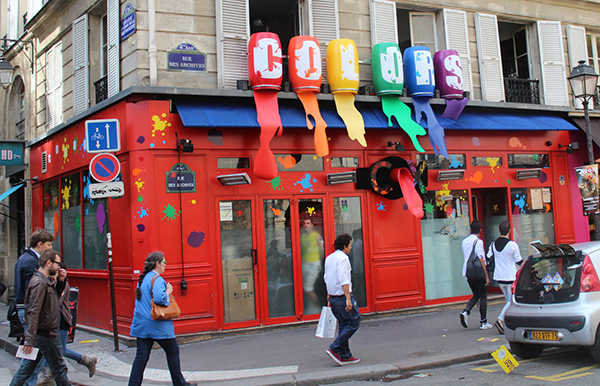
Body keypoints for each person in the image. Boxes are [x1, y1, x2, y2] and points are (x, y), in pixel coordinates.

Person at [128, 252, 196, 386]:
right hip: (158, 324)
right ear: (157, 264)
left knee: (141, 357)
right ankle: (180, 384)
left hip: (142, 324)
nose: (165, 265)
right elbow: (160, 299)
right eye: (164, 262)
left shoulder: (142, 280)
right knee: (173, 351)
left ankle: (133, 384)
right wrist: (168, 292)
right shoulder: (157, 279)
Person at [9, 250, 71, 386]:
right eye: (57, 264)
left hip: (42, 333)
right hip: (46, 333)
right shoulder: (39, 283)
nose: (59, 267)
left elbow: (53, 300)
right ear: (48, 263)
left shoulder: (45, 281)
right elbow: (33, 311)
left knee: (27, 369)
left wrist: (60, 282)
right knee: (59, 369)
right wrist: (29, 339)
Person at [37, 261, 97, 385]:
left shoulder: (62, 285)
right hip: (53, 322)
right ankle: (49, 376)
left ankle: (86, 361)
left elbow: (56, 302)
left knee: (59, 349)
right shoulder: (50, 283)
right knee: (51, 349)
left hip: (61, 321)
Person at [13, 230, 54, 386]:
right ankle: (27, 382)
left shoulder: (24, 258)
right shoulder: (31, 262)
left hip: (25, 308)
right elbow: (35, 292)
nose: (50, 248)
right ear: (40, 244)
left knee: (35, 350)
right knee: (34, 351)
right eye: (48, 245)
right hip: (29, 309)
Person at [324, 233, 361, 366]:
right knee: (354, 321)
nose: (351, 248)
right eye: (350, 245)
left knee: (344, 324)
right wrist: (348, 299)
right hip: (341, 297)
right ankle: (334, 348)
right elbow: (344, 279)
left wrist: (328, 294)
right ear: (344, 246)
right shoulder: (343, 259)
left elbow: (326, 277)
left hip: (333, 297)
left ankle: (345, 355)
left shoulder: (329, 258)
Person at [488, 220, 523, 334]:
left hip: (499, 277)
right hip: (510, 276)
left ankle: (507, 322)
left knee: (508, 300)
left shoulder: (493, 244)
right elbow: (519, 261)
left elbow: (489, 257)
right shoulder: (512, 245)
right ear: (509, 231)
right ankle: (500, 319)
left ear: (499, 230)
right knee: (511, 300)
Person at [460, 221, 493, 330]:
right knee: (483, 296)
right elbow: (481, 258)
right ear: (480, 230)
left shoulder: (464, 241)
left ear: (470, 229)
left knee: (476, 294)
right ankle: (483, 322)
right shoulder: (478, 242)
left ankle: (466, 312)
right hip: (478, 273)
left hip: (468, 272)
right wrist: (486, 275)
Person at [300, 218, 324, 312]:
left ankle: (318, 307)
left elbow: (321, 250)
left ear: (312, 225)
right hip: (305, 263)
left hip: (314, 264)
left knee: (308, 288)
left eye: (308, 223)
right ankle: (311, 308)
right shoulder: (303, 237)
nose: (306, 225)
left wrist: (319, 262)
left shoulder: (317, 236)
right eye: (304, 223)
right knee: (306, 287)